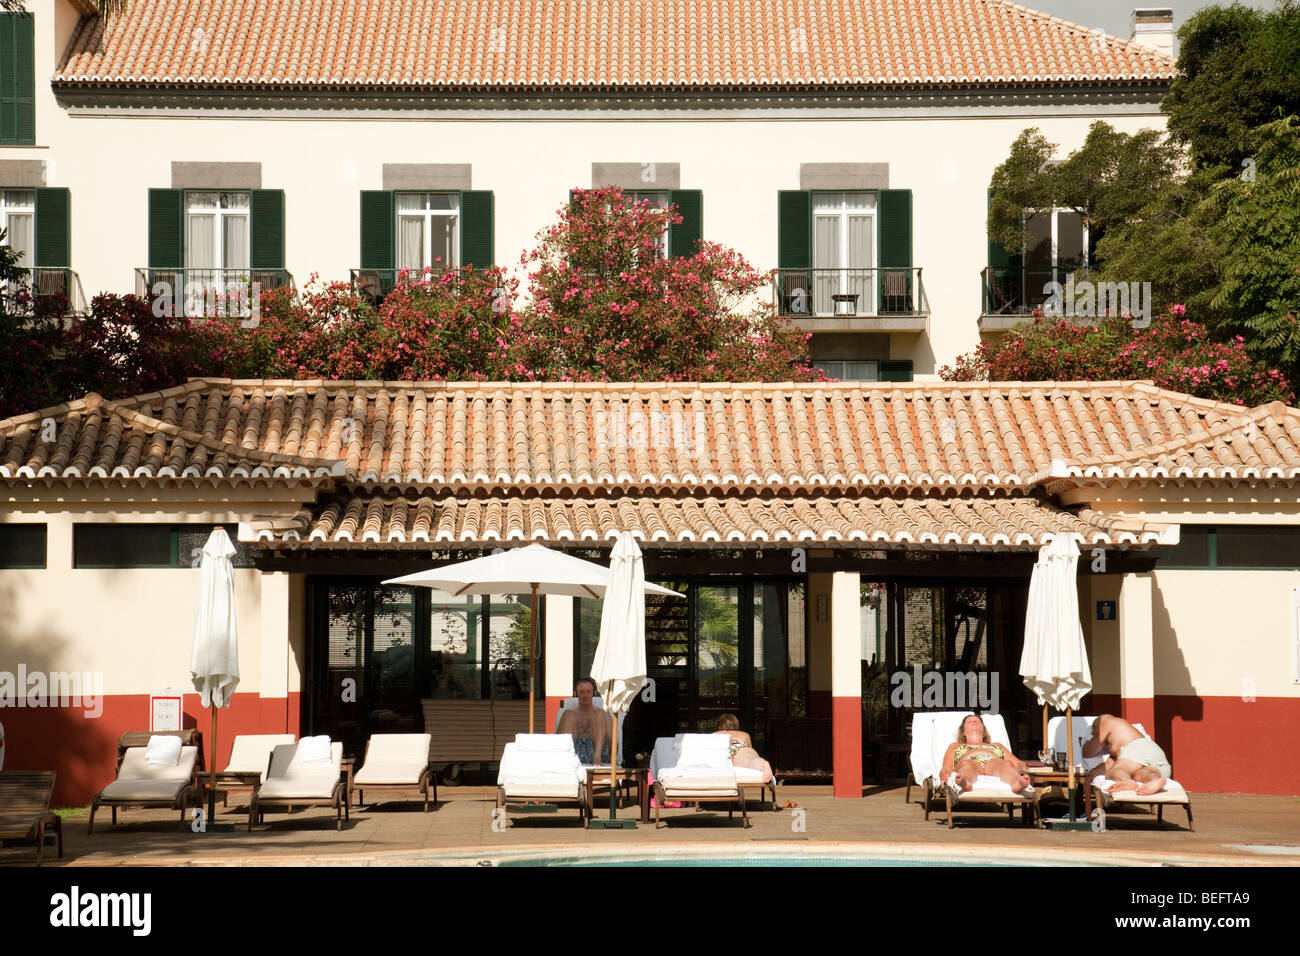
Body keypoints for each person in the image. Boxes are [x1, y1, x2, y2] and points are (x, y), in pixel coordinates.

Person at [940, 713, 1031, 793]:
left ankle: (1016, 783)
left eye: (978, 721)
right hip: (969, 761)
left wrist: (1022, 769)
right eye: (970, 721)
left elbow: (1018, 763)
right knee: (967, 764)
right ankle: (964, 781)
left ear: (983, 730)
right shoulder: (955, 746)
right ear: (963, 731)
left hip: (992, 762)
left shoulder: (997, 745)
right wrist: (944, 774)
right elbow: (946, 768)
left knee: (1006, 764)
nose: (974, 722)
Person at [1081, 714, 1170, 795]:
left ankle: (1127, 783)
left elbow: (1088, 752)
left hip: (1137, 746)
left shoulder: (1108, 722)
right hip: (1154, 752)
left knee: (1114, 772)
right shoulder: (1122, 741)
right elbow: (1108, 765)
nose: (1093, 733)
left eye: (1094, 729)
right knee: (1141, 774)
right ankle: (1154, 780)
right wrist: (1090, 775)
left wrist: (1090, 739)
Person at [556, 677, 611, 766]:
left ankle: (596, 757)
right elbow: (558, 738)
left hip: (598, 755)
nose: (585, 695)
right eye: (582, 692)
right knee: (568, 714)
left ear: (593, 693)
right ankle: (566, 757)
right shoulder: (569, 715)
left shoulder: (603, 714)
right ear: (576, 694)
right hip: (574, 754)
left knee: (599, 714)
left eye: (588, 692)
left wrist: (614, 759)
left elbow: (611, 739)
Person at [713, 713, 773, 783]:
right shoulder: (744, 735)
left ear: (718, 725)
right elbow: (749, 747)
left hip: (722, 749)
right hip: (739, 746)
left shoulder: (714, 734)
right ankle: (763, 764)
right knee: (749, 760)